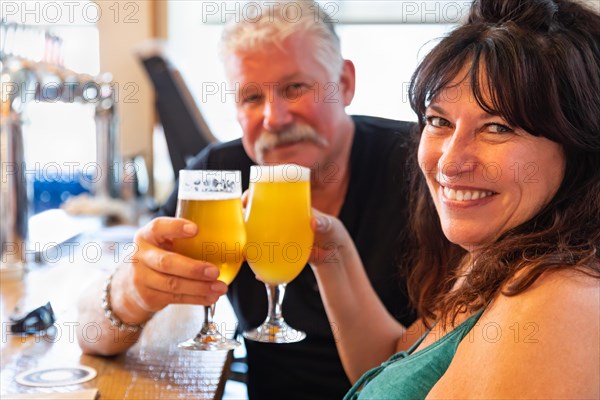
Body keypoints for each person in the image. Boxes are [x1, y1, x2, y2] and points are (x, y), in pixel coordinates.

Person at [76, 1, 417, 399]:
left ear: (343, 83)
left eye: (295, 88)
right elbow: (88, 332)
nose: (274, 118)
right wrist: (131, 291)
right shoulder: (217, 178)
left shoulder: (420, 168)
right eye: (251, 97)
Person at [309, 0, 600, 398]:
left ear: (579, 146)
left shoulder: (557, 304)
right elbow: (401, 370)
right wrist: (331, 252)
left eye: (497, 127)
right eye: (439, 122)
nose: (449, 161)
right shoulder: (498, 256)